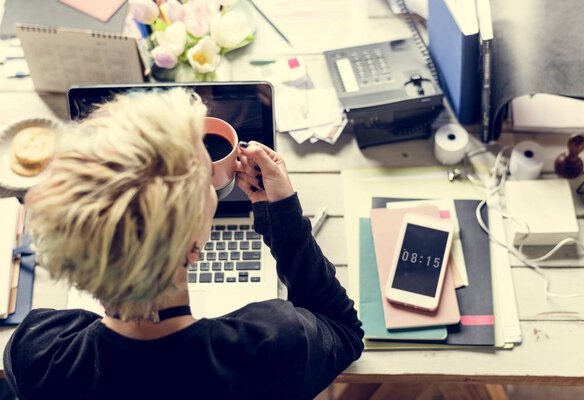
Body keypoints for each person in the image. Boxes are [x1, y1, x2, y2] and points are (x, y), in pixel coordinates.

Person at [2, 88, 364, 400]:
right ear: (193, 246)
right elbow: (345, 331)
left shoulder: (37, 351)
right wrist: (282, 214)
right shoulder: (275, 345)